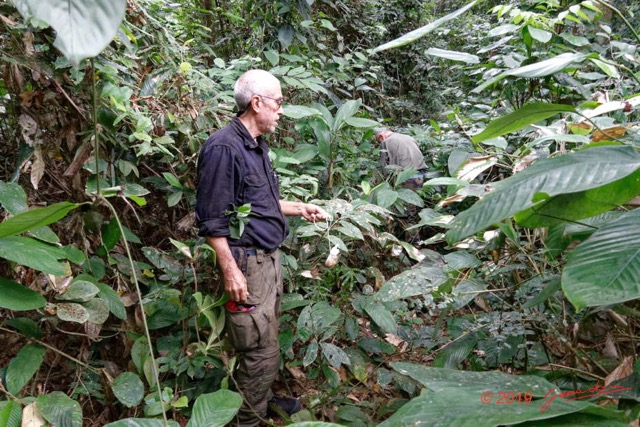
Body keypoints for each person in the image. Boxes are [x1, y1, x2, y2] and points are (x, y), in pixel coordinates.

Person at [195, 69, 327, 426]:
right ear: (257, 103)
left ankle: (264, 399)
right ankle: (245, 421)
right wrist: (230, 268)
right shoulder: (224, 148)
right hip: (246, 263)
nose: (282, 110)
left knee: (266, 338)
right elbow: (212, 219)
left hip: (267, 261)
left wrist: (298, 208)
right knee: (258, 349)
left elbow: (257, 202)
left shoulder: (254, 146)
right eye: (279, 102)